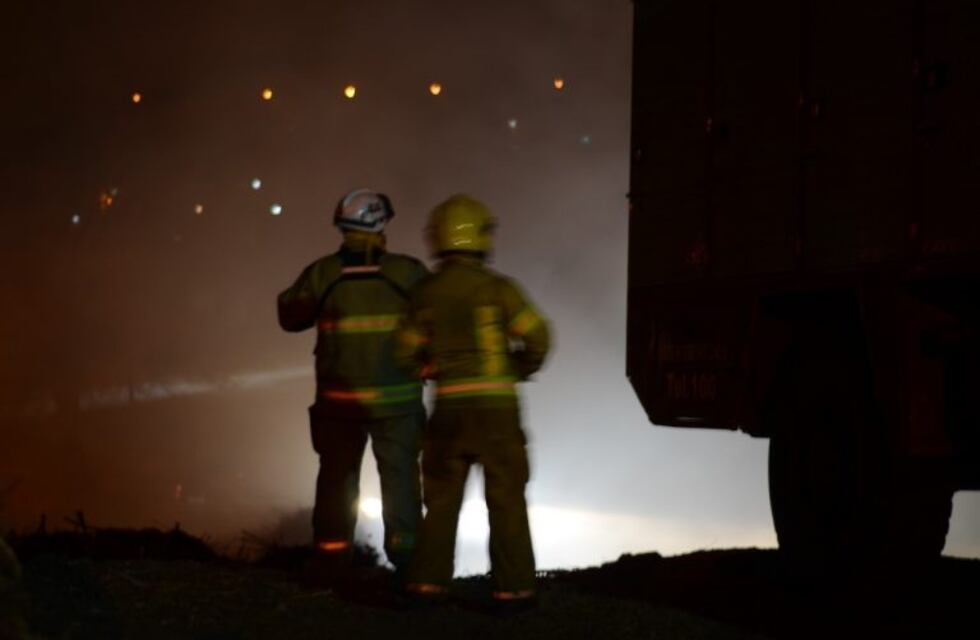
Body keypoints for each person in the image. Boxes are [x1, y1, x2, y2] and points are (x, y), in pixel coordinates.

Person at [395, 194, 550, 608]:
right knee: (507, 501)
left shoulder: (425, 294)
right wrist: (517, 368)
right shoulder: (500, 289)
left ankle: (426, 585)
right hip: (498, 415)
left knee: (441, 502)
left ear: (438, 238)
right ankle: (513, 590)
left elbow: (403, 353)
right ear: (481, 236)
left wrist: (428, 368)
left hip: (448, 414)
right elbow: (539, 338)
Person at [277, 188, 429, 583]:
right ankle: (409, 565)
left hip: (338, 404)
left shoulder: (322, 274)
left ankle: (330, 563)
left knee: (336, 482)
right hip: (397, 404)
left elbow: (289, 316)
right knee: (400, 481)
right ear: (381, 224)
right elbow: (437, 319)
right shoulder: (408, 273)